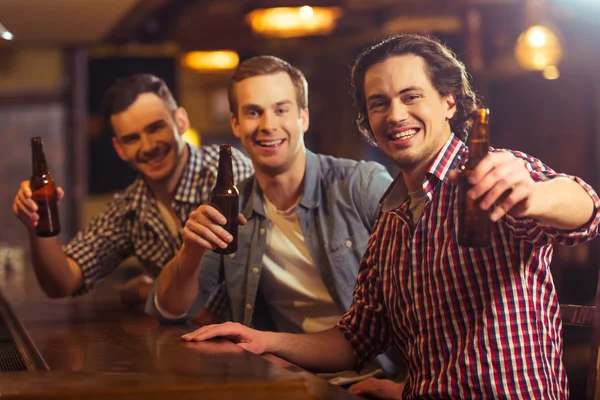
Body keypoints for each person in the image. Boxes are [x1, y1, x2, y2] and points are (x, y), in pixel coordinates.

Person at [179, 34, 600, 399]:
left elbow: (586, 210)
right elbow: (355, 339)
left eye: (411, 96)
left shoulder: (494, 174)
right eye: (379, 103)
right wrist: (259, 338)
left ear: (449, 101)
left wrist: (532, 194)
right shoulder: (389, 218)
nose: (395, 115)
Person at [148, 55, 406, 390]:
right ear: (236, 124)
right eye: (253, 112)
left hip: (377, 377)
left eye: (281, 110)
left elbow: (427, 297)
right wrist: (190, 251)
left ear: (304, 118)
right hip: (289, 383)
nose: (268, 124)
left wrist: (407, 387)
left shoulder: (360, 184)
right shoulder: (232, 208)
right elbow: (167, 311)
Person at [12, 73, 254, 304]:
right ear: (119, 148)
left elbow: (226, 288)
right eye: (131, 138)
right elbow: (62, 283)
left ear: (180, 121)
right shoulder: (129, 208)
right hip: (187, 343)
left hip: (251, 341)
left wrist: (149, 290)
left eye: (155, 127)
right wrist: (37, 221)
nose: (147, 146)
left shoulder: (225, 175)